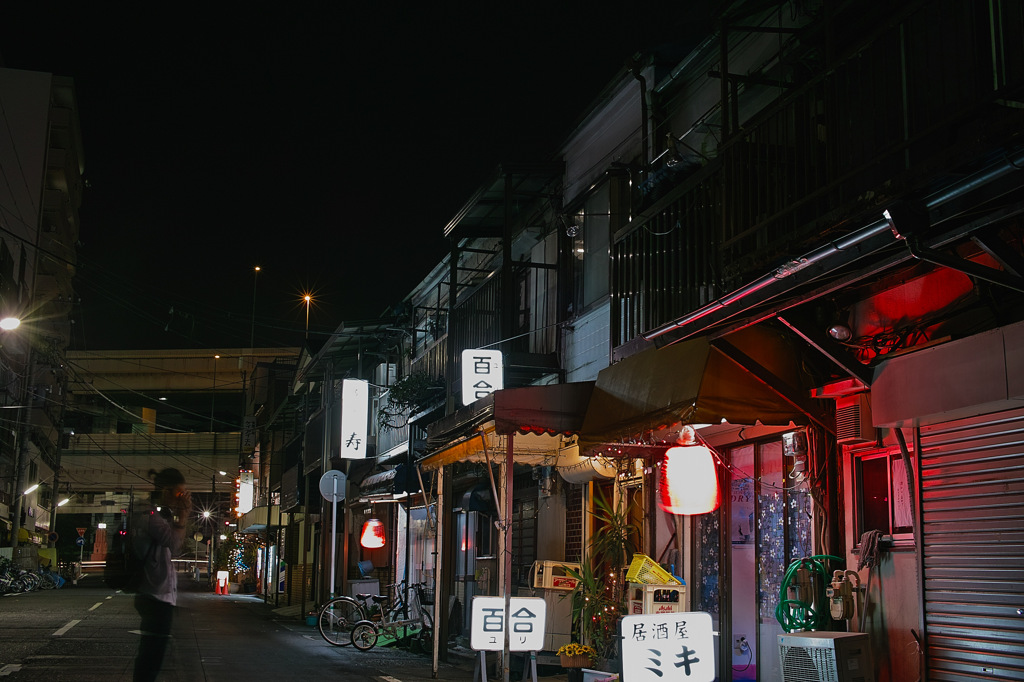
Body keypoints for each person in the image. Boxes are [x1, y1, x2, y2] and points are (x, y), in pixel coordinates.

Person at [132, 468, 191, 682]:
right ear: (166, 491)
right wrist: (183, 516)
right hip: (154, 593)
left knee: (152, 656)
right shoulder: (149, 516)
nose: (182, 499)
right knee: (151, 658)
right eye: (179, 493)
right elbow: (174, 544)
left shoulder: (154, 513)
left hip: (156, 594)